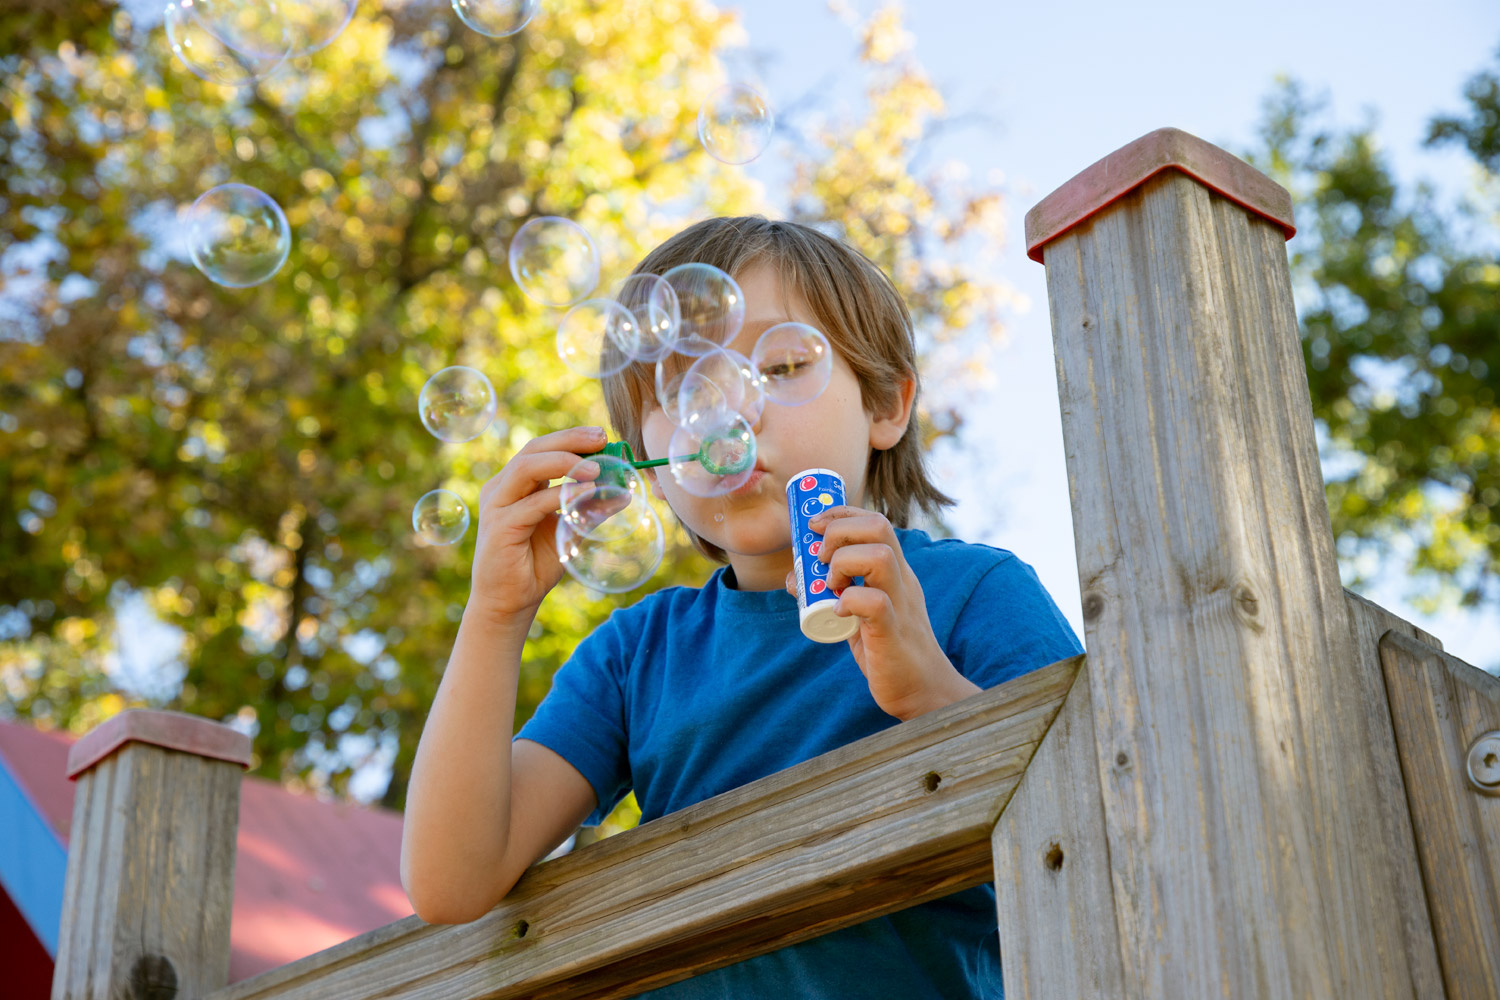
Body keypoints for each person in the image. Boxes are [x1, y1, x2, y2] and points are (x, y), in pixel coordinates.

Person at [400, 216, 1083, 997]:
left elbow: (1099, 818)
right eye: (683, 391)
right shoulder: (636, 657)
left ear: (887, 408)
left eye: (783, 365)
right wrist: (496, 609)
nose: (731, 415)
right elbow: (451, 882)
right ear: (651, 471)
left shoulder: (973, 595)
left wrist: (932, 695)